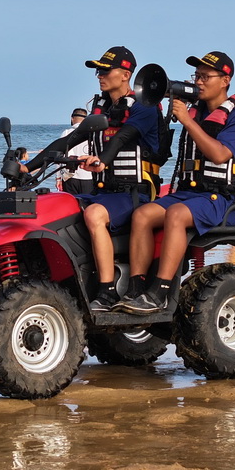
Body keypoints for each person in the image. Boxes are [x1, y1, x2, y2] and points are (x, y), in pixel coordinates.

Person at [120, 51, 235, 314]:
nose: (199, 82)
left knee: (177, 215)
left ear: (225, 80)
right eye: (197, 76)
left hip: (223, 199)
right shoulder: (198, 111)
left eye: (205, 76)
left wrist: (188, 121)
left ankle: (160, 291)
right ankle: (136, 288)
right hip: (191, 193)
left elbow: (218, 154)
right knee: (142, 214)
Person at [65, 46, 159, 312]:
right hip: (105, 192)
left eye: (105, 70)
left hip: (134, 194)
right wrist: (27, 168)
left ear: (126, 74)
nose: (99, 75)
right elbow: (69, 139)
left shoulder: (144, 108)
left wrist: (102, 160)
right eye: (98, 71)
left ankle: (106, 292)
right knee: (59, 206)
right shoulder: (103, 109)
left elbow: (122, 137)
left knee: (94, 214)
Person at [56, 108, 94, 195]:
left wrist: (58, 178)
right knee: (88, 204)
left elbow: (59, 157)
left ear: (72, 118)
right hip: (89, 176)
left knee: (71, 205)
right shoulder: (92, 133)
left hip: (70, 176)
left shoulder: (66, 133)